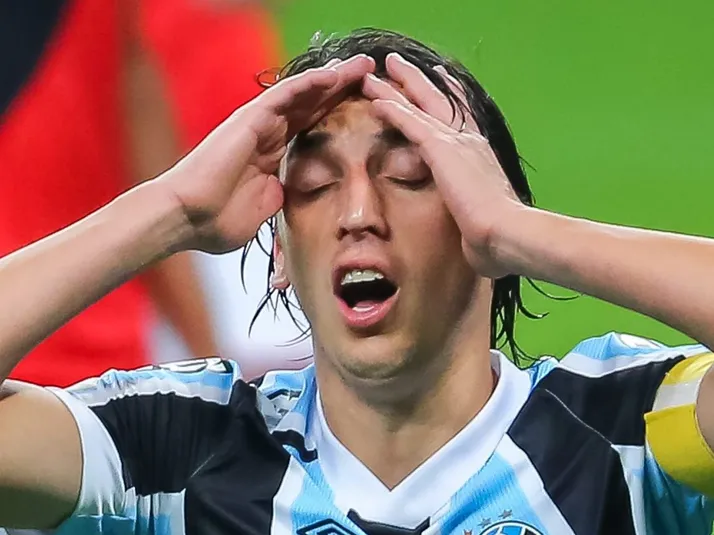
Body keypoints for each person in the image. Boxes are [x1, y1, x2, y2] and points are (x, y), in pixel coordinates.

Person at [0, 28, 713, 535]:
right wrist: (171, 209)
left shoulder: (623, 432)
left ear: (482, 227)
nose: (358, 213)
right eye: (315, 184)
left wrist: (522, 233)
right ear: (281, 256)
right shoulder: (179, 448)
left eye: (412, 174)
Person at [0, 0, 218, 386]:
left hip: (98, 360)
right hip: (92, 359)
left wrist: (212, 359)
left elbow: (153, 176)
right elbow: (155, 179)